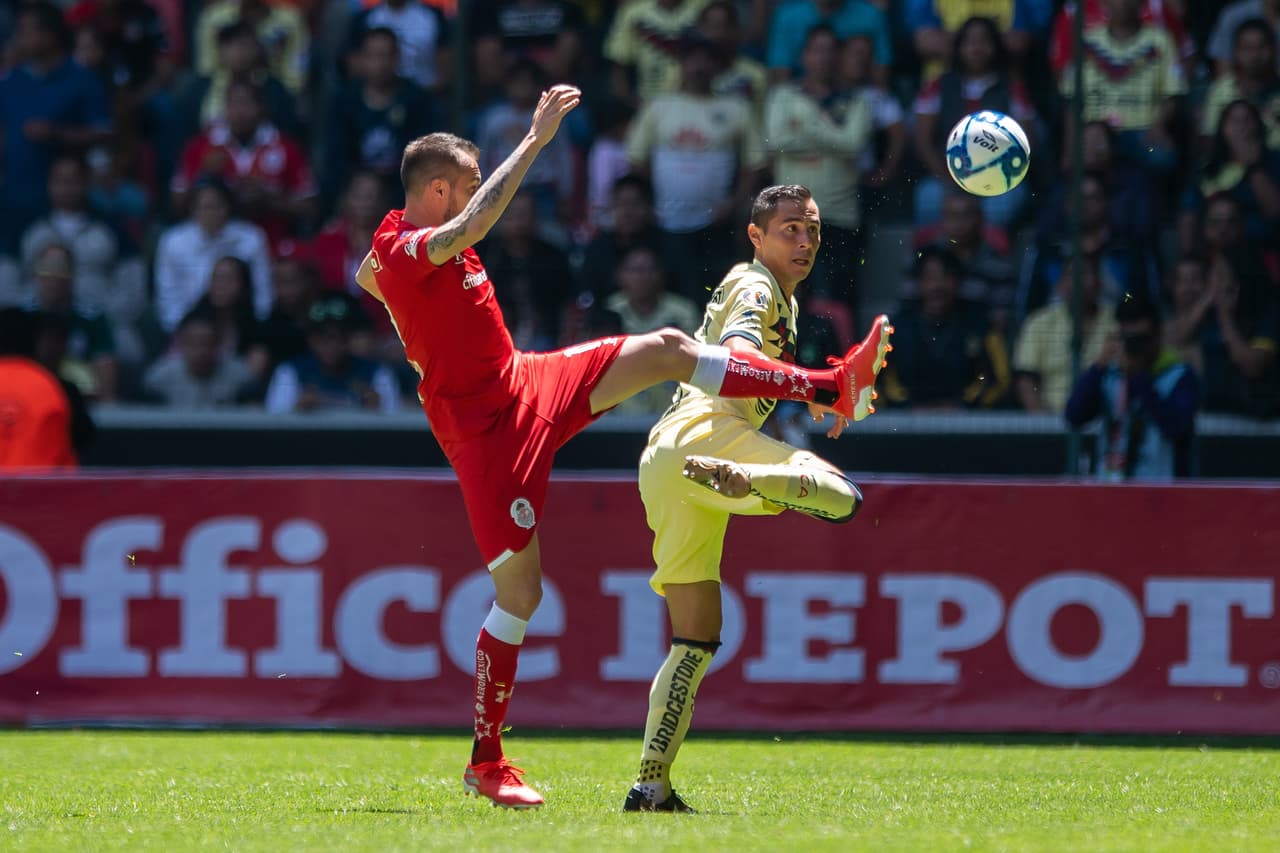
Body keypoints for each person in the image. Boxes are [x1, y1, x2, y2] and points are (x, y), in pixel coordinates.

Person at [353, 87, 894, 810]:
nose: (480, 196)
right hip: (484, 434)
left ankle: (827, 385)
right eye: (471, 183)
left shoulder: (390, 253)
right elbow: (459, 231)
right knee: (520, 595)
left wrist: (410, 320)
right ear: (442, 190)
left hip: (528, 379)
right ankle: (487, 760)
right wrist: (538, 139)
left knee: (671, 348)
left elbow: (371, 278)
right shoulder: (410, 242)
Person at [625, 184, 882, 812]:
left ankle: (650, 786)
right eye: (790, 228)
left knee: (696, 636)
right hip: (710, 437)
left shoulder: (774, 296)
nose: (804, 241)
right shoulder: (756, 286)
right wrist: (821, 388)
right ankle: (748, 483)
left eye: (814, 231)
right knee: (843, 496)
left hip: (663, 457)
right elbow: (738, 359)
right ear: (756, 236)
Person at [1065, 294, 1198, 479]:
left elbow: (1176, 427)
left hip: (1162, 489)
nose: (1135, 346)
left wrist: (1138, 377)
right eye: (1128, 338)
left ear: (1158, 335)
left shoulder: (1179, 376)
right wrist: (1098, 368)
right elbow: (1074, 415)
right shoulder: (1110, 376)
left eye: (1142, 338)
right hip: (1113, 485)